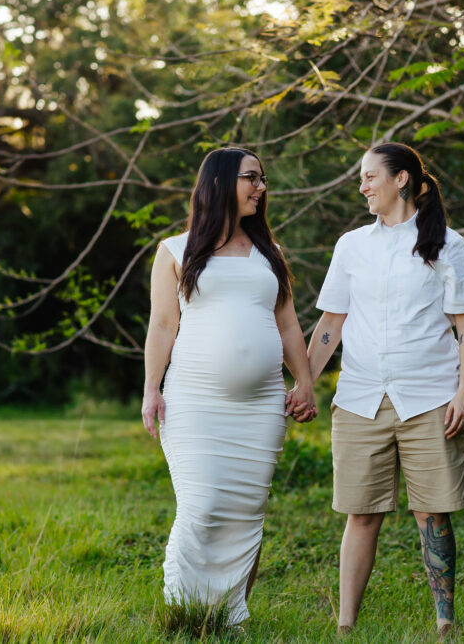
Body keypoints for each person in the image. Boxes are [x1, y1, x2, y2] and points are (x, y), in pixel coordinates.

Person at [300, 142, 464, 636]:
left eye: (369, 177)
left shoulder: (447, 244)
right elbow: (329, 325)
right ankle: (346, 624)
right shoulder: (351, 245)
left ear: (401, 179)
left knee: (432, 512)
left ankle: (445, 622)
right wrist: (302, 383)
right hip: (360, 399)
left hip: (430, 397)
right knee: (361, 515)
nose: (362, 186)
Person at [141, 147, 318, 627]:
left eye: (262, 179)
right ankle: (184, 611)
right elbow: (161, 326)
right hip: (195, 401)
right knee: (202, 507)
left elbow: (287, 327)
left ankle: (229, 616)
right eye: (251, 178)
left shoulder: (269, 255)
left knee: (245, 515)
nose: (261, 188)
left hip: (260, 408)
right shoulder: (176, 251)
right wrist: (150, 389)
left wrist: (305, 382)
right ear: (219, 183)